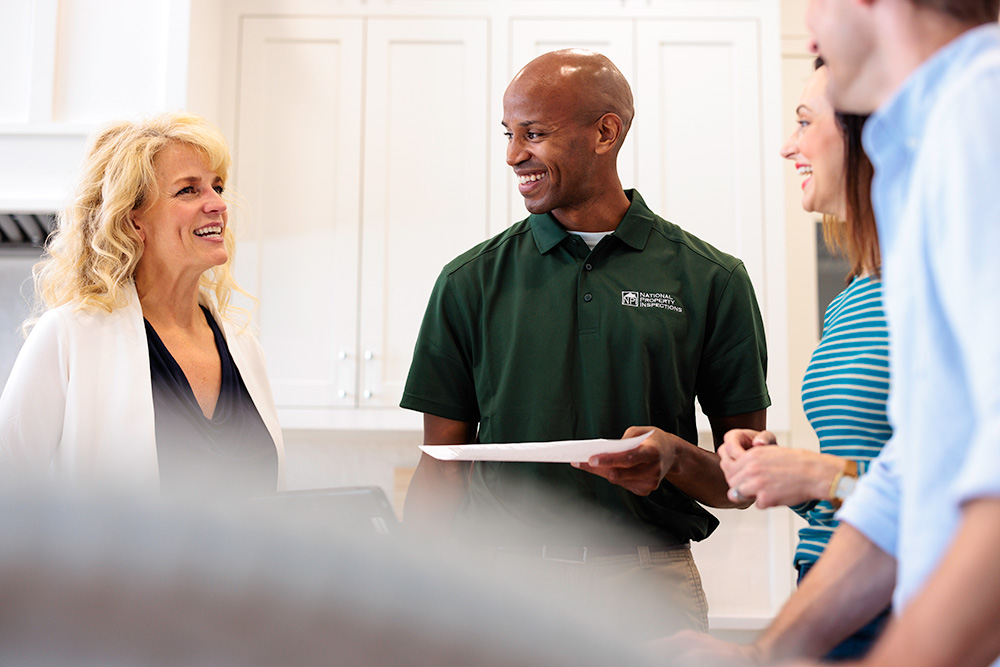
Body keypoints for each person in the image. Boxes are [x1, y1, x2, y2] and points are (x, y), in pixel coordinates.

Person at [660, 0, 1000, 665]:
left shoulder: (978, 109)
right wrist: (769, 654)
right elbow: (909, 481)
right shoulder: (932, 148)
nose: (807, 19)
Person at [399, 49, 770, 638]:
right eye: (509, 133)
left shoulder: (711, 279)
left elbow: (743, 479)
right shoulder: (469, 281)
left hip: (649, 591)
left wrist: (671, 455)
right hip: (501, 591)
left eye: (535, 133)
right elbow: (440, 466)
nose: (513, 154)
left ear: (605, 132)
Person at [0, 112, 285, 499]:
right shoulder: (70, 336)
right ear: (135, 220)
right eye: (189, 190)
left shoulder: (244, 348)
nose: (218, 204)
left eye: (217, 186)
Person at [715, 60, 891, 661]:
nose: (789, 146)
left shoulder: (940, 286)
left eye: (804, 121)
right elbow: (874, 472)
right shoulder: (854, 295)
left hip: (904, 613)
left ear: (869, 135)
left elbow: (966, 500)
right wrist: (789, 474)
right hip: (831, 605)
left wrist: (822, 476)